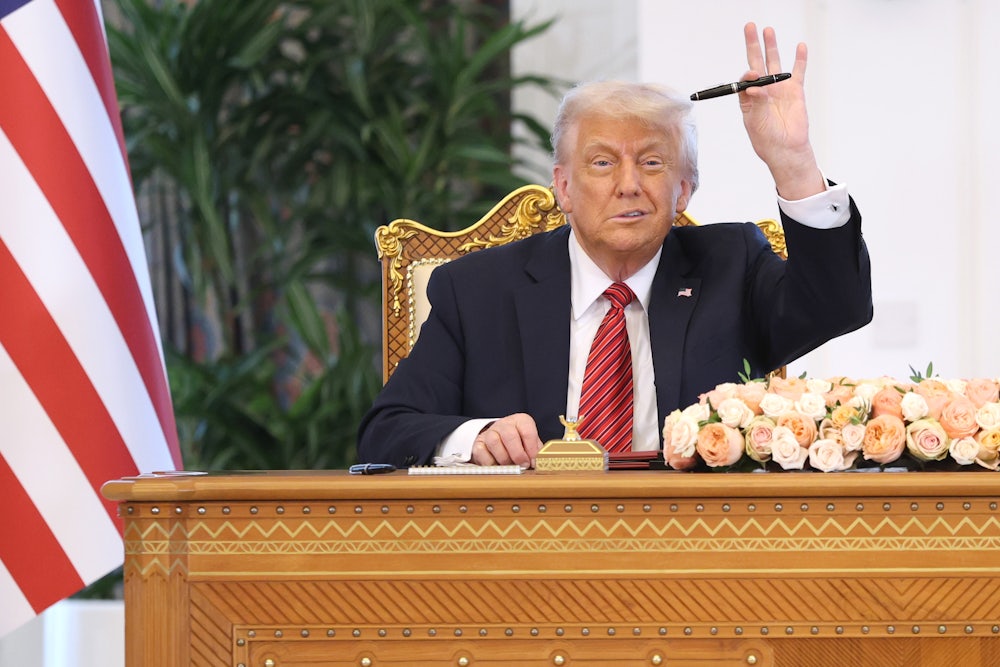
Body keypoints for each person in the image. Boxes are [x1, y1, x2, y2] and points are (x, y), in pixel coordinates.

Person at [357, 22, 872, 469]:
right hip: (531, 536)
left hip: (691, 537)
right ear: (563, 187)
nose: (629, 185)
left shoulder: (731, 266)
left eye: (652, 163)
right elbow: (386, 432)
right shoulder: (478, 290)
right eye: (602, 163)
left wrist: (793, 163)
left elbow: (838, 306)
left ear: (683, 190)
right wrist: (476, 438)